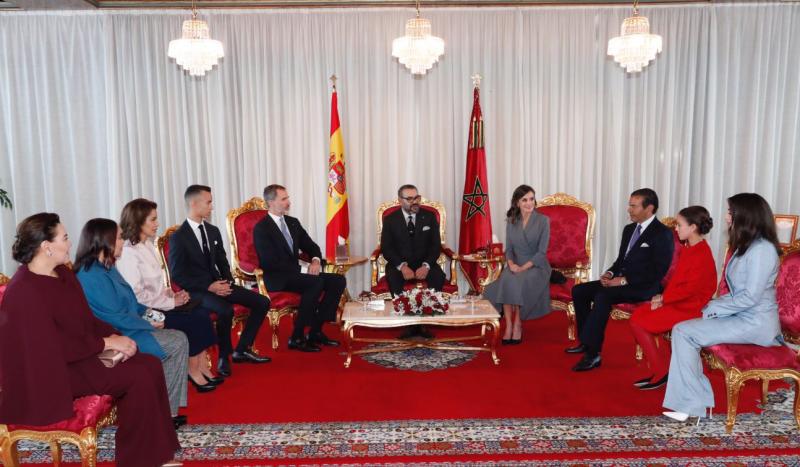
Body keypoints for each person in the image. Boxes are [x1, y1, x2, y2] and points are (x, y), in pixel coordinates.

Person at [0, 213, 180, 467]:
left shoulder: (63, 274)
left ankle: (155, 453)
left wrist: (115, 336)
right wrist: (107, 344)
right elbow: (48, 349)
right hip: (50, 374)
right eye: (65, 237)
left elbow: (86, 319)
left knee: (149, 364)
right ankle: (140, 461)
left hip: (78, 356)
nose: (71, 243)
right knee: (137, 377)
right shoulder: (24, 290)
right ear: (46, 247)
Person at [663, 193, 784, 422]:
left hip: (755, 323)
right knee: (682, 329)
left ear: (744, 216)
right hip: (741, 317)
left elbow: (749, 297)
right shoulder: (747, 245)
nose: (727, 217)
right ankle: (693, 402)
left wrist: (713, 308)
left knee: (683, 331)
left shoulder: (762, 250)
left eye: (730, 212)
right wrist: (714, 305)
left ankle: (693, 404)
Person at [75, 218, 190, 427]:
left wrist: (151, 315)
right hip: (118, 333)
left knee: (178, 337)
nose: (122, 241)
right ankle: (165, 412)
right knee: (177, 341)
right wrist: (148, 325)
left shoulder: (108, 267)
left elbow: (131, 301)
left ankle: (166, 410)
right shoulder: (91, 275)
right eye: (119, 237)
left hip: (130, 326)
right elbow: (112, 316)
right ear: (105, 240)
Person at [117, 198, 221, 392]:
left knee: (202, 312)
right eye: (153, 220)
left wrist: (172, 294)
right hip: (145, 312)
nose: (157, 224)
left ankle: (200, 366)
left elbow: (155, 285)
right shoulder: (128, 253)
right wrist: (171, 302)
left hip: (160, 303)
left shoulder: (146, 245)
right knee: (193, 320)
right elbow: (137, 296)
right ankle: (193, 370)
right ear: (138, 221)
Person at [168, 184, 270, 377]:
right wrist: (209, 286)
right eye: (208, 202)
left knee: (262, 301)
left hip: (219, 285)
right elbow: (178, 275)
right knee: (225, 309)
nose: (211, 207)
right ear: (194, 203)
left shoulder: (213, 231)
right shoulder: (179, 238)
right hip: (197, 290)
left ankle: (242, 348)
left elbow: (223, 262)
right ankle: (224, 356)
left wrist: (227, 283)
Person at [567, 188, 674, 372]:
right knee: (580, 291)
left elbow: (657, 272)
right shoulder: (629, 229)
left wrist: (624, 280)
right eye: (629, 205)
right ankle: (586, 340)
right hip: (622, 281)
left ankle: (593, 354)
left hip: (645, 287)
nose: (629, 209)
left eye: (634, 206)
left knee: (603, 295)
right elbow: (620, 261)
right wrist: (610, 273)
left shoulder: (662, 233)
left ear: (649, 208)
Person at [629, 206, 717, 390]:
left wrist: (663, 300)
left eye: (679, 225)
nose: (676, 229)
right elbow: (678, 281)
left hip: (691, 307)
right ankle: (665, 368)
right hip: (678, 302)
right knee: (638, 316)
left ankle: (662, 371)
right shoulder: (689, 247)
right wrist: (662, 297)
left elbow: (690, 290)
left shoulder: (702, 253)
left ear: (693, 227)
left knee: (639, 321)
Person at [253, 184, 346, 352]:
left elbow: (311, 246)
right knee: (315, 282)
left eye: (288, 198)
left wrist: (316, 261)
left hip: (297, 274)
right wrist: (304, 270)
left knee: (338, 281)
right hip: (277, 277)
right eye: (284, 199)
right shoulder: (262, 228)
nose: (288, 202)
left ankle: (315, 331)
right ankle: (296, 337)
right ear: (271, 202)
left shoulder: (292, 222)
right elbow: (269, 262)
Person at [483, 185, 551, 344]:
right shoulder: (512, 221)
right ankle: (508, 325)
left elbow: (542, 253)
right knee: (506, 279)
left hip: (536, 266)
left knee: (515, 281)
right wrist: (512, 264)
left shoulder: (543, 221)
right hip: (515, 264)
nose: (529, 203)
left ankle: (518, 324)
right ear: (517, 203)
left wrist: (523, 267)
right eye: (524, 200)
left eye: (532, 199)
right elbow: (509, 249)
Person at [380, 184, 446, 339]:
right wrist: (402, 267)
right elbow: (386, 248)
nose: (414, 201)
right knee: (393, 278)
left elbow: (436, 246)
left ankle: (424, 322)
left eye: (416, 198)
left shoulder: (429, 217)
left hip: (425, 262)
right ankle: (408, 324)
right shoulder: (390, 220)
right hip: (400, 264)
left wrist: (427, 265)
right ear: (400, 200)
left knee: (438, 276)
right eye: (409, 199)